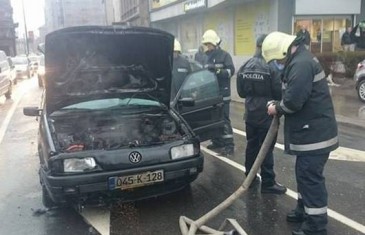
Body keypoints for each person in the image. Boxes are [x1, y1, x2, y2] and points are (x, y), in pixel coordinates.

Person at [262, 31, 339, 235]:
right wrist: (278, 102)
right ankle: (304, 211)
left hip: (315, 136)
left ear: (284, 50)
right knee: (304, 175)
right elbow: (290, 91)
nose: (278, 63)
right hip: (311, 134)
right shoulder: (298, 60)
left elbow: (294, 101)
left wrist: (277, 108)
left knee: (310, 179)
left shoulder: (301, 64)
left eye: (278, 59)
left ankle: (316, 227)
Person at [236, 34, 287, 194]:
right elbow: (278, 93)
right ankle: (268, 182)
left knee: (251, 146)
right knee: (266, 149)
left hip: (250, 113)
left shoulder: (245, 66)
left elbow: (241, 92)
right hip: (267, 114)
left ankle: (249, 179)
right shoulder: (271, 67)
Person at [202, 29, 235, 156]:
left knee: (224, 119)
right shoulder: (207, 57)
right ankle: (217, 141)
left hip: (223, 94)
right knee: (213, 119)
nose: (208, 47)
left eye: (209, 44)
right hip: (211, 94)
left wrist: (217, 71)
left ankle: (229, 145)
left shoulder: (224, 56)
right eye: (207, 44)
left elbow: (230, 72)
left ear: (215, 43)